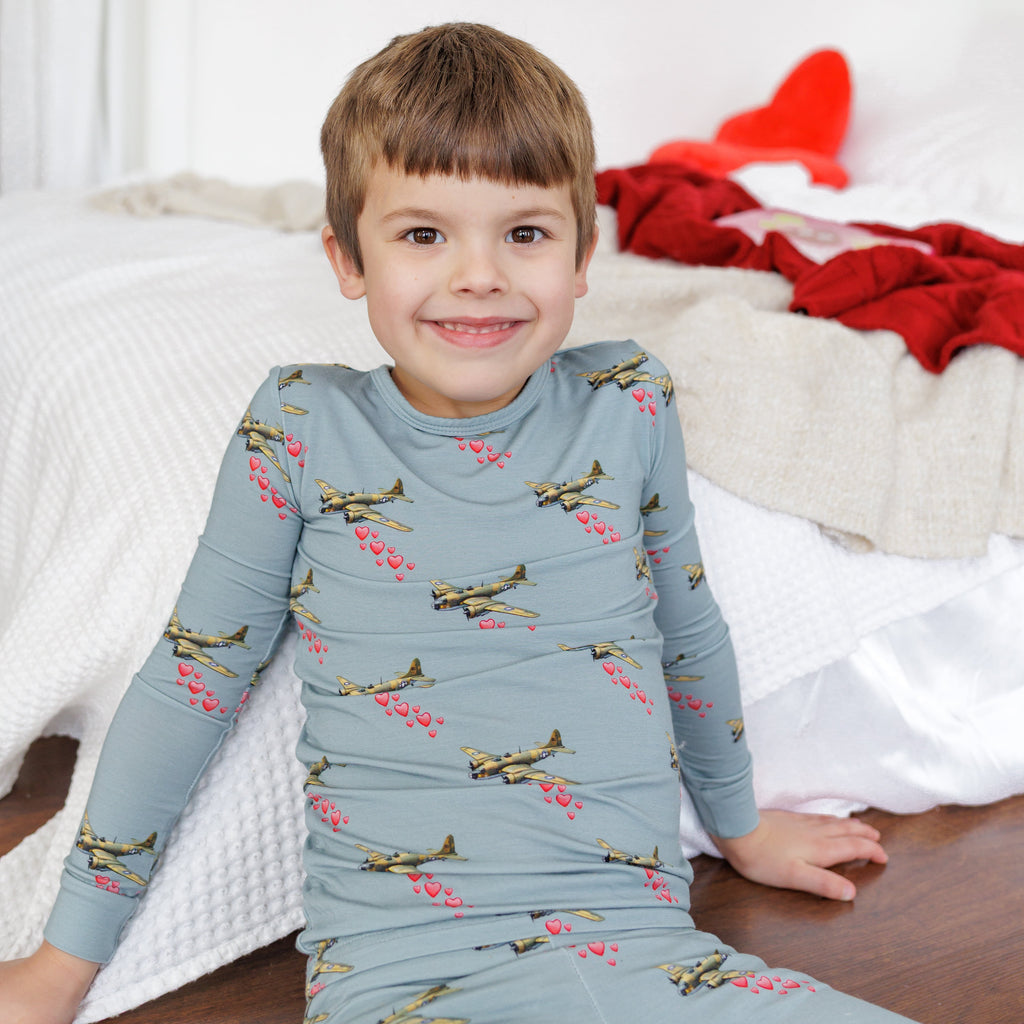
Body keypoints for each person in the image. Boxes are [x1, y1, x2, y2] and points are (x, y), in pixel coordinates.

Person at [0, 22, 914, 1024]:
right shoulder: (302, 427)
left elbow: (686, 630)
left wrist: (738, 828)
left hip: (649, 954)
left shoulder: (628, 403)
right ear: (347, 257)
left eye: (523, 233)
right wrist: (59, 963)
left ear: (581, 257)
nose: (479, 274)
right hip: (404, 978)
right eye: (423, 233)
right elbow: (186, 687)